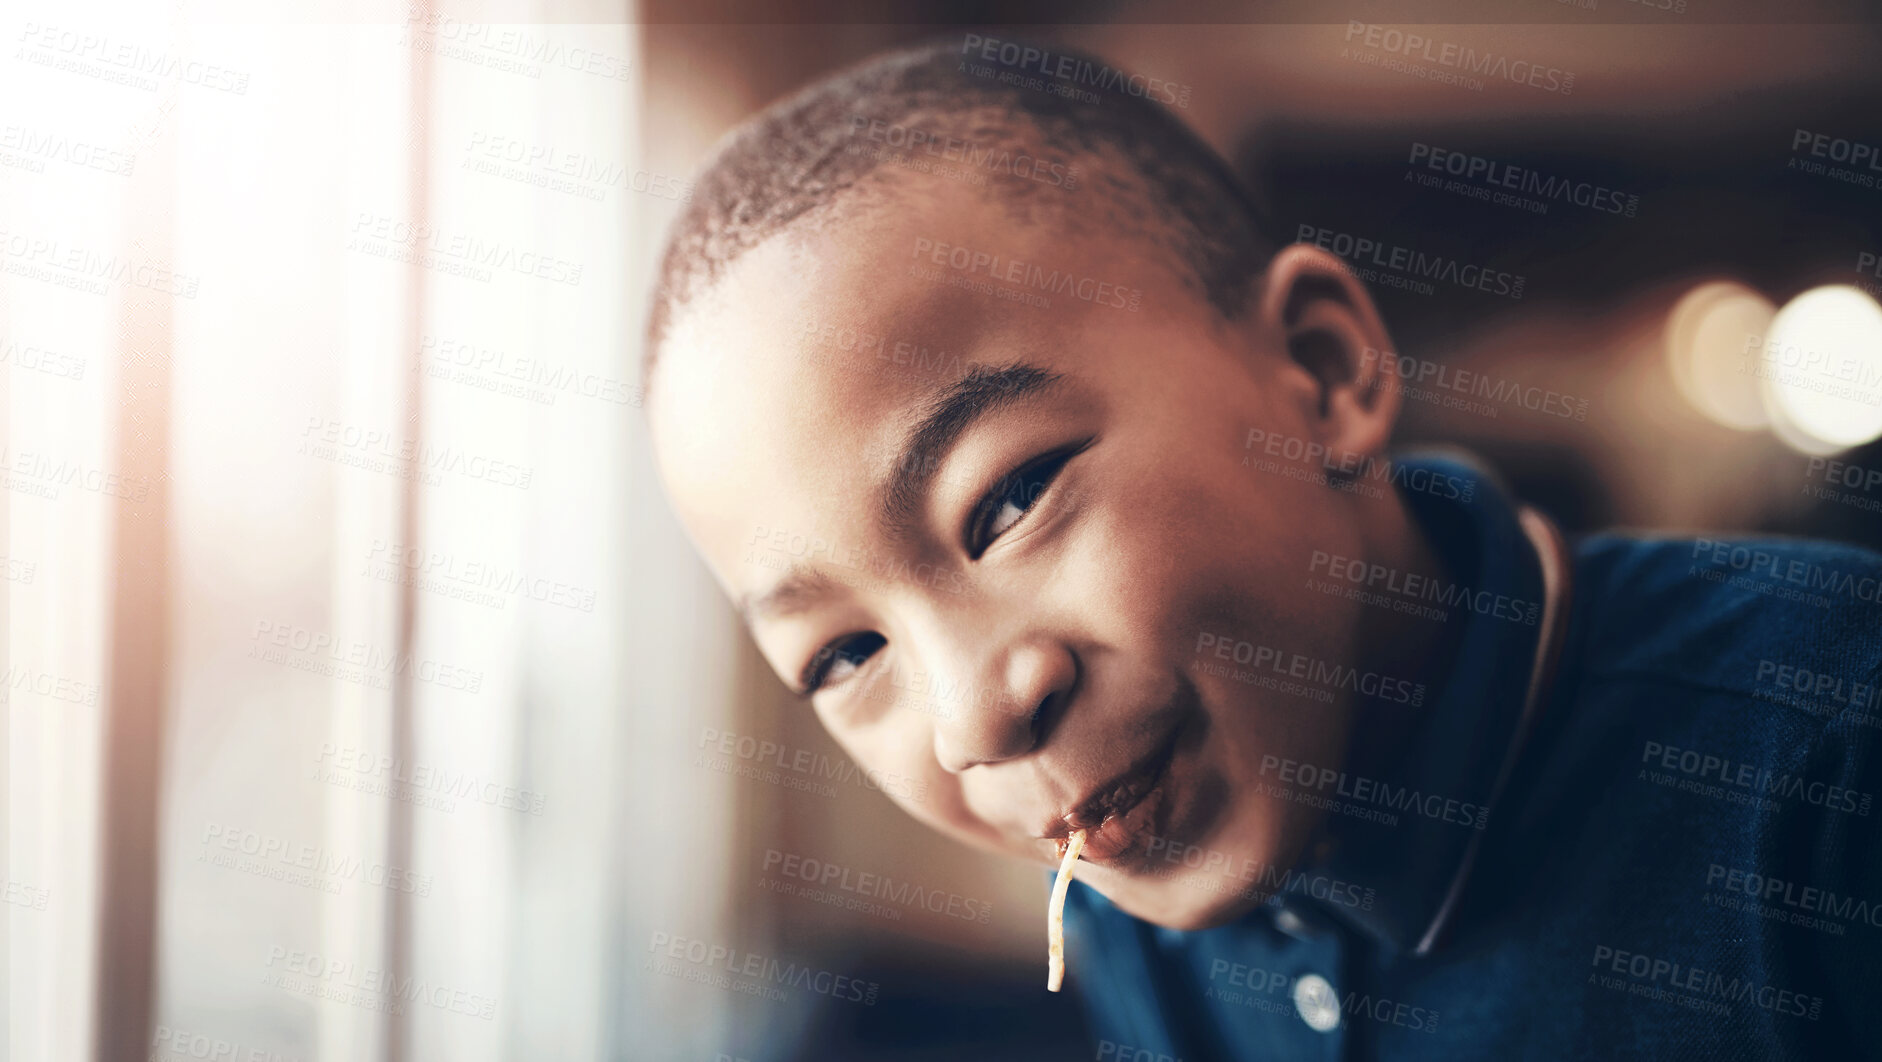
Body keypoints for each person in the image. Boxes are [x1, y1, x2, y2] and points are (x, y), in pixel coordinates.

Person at [641, 39, 1882, 1060]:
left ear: (1320, 372)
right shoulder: (1134, 894)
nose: (977, 719)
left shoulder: (1826, 767)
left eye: (1010, 499)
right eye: (843, 654)